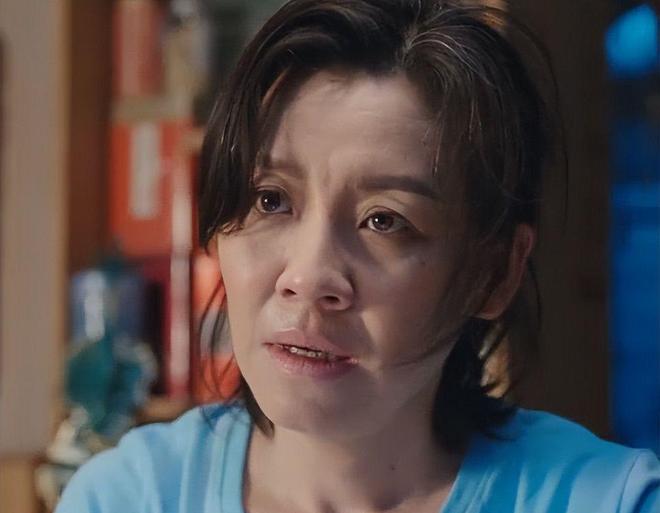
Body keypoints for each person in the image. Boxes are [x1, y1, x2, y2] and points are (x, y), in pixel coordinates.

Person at [56, 1, 660, 512]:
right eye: (270, 200)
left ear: (494, 273)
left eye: (384, 220)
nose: (308, 277)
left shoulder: (608, 499)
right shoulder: (128, 498)